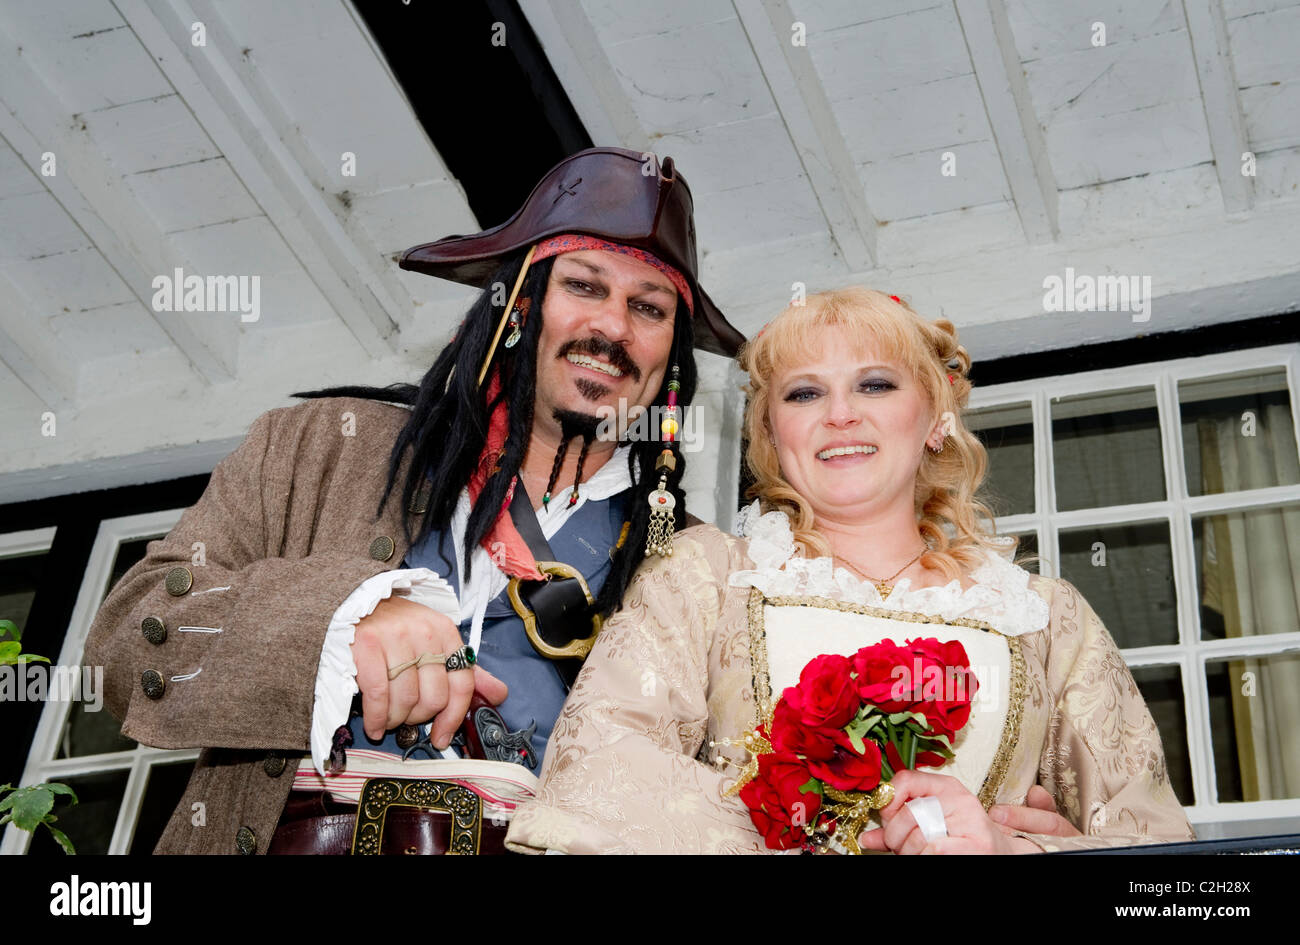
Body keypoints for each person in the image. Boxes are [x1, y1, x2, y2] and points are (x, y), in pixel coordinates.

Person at [82, 147, 745, 854]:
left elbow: (738, 796)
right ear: (519, 304)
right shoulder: (314, 449)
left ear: (671, 359)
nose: (613, 327)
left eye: (648, 306)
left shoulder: (705, 571)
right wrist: (340, 621)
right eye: (585, 286)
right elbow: (127, 641)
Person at [505, 287, 1196, 854]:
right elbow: (597, 768)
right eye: (804, 394)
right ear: (773, 435)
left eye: (874, 383)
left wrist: (1011, 850)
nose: (839, 414)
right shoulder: (704, 575)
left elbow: (1162, 866)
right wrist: (826, 836)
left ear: (935, 420)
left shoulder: (1048, 618)